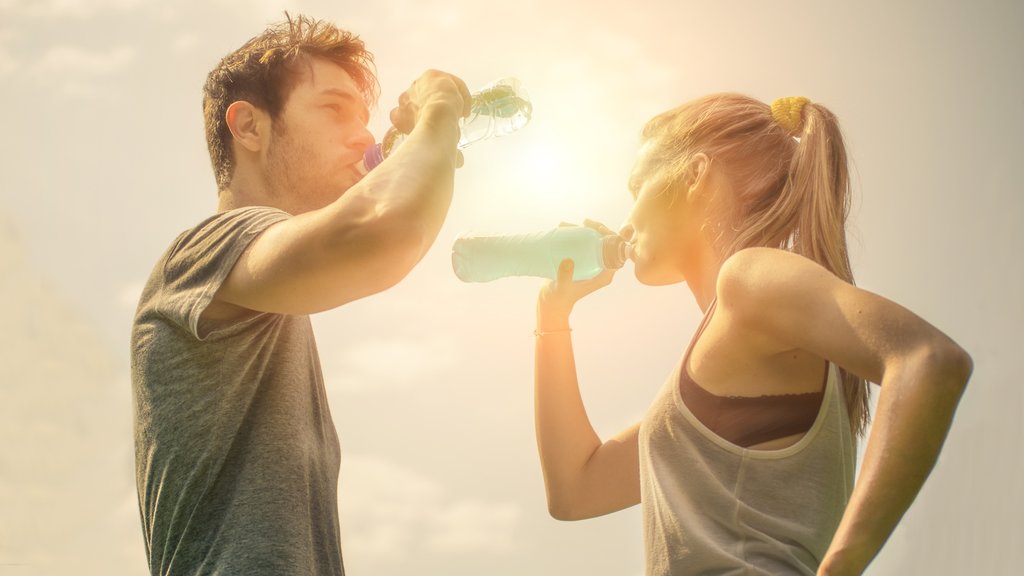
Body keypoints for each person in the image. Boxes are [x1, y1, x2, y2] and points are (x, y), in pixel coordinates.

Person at [532, 94, 973, 575]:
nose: (626, 220)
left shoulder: (748, 278)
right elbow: (575, 490)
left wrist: (844, 564)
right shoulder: (717, 367)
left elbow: (928, 360)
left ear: (696, 175)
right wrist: (552, 315)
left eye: (637, 187)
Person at [130, 14, 471, 575]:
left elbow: (383, 227)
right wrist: (438, 113)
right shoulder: (205, 251)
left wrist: (425, 154)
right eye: (335, 110)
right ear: (249, 128)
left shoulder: (267, 293)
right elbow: (381, 235)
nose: (364, 136)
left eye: (364, 118)